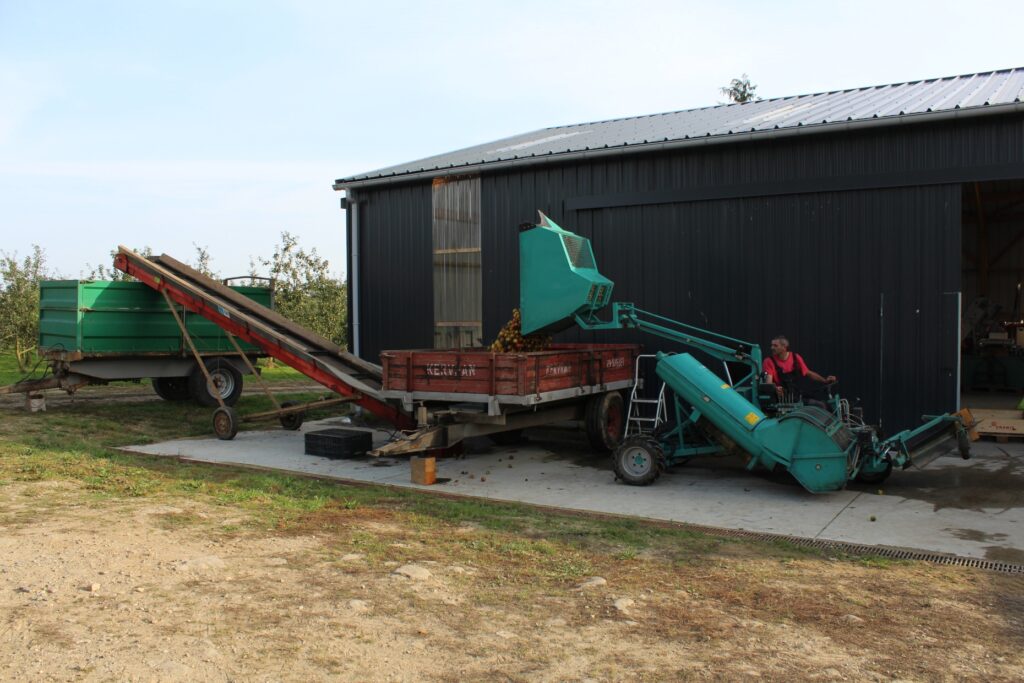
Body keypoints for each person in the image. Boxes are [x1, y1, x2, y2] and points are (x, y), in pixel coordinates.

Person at [763, 336, 836, 403]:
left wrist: (825, 380)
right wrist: (776, 388)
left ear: (784, 347)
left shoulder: (795, 357)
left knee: (820, 405)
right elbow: (768, 382)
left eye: (775, 346)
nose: (772, 348)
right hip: (781, 399)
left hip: (796, 396)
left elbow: (808, 373)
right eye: (771, 345)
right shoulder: (769, 361)